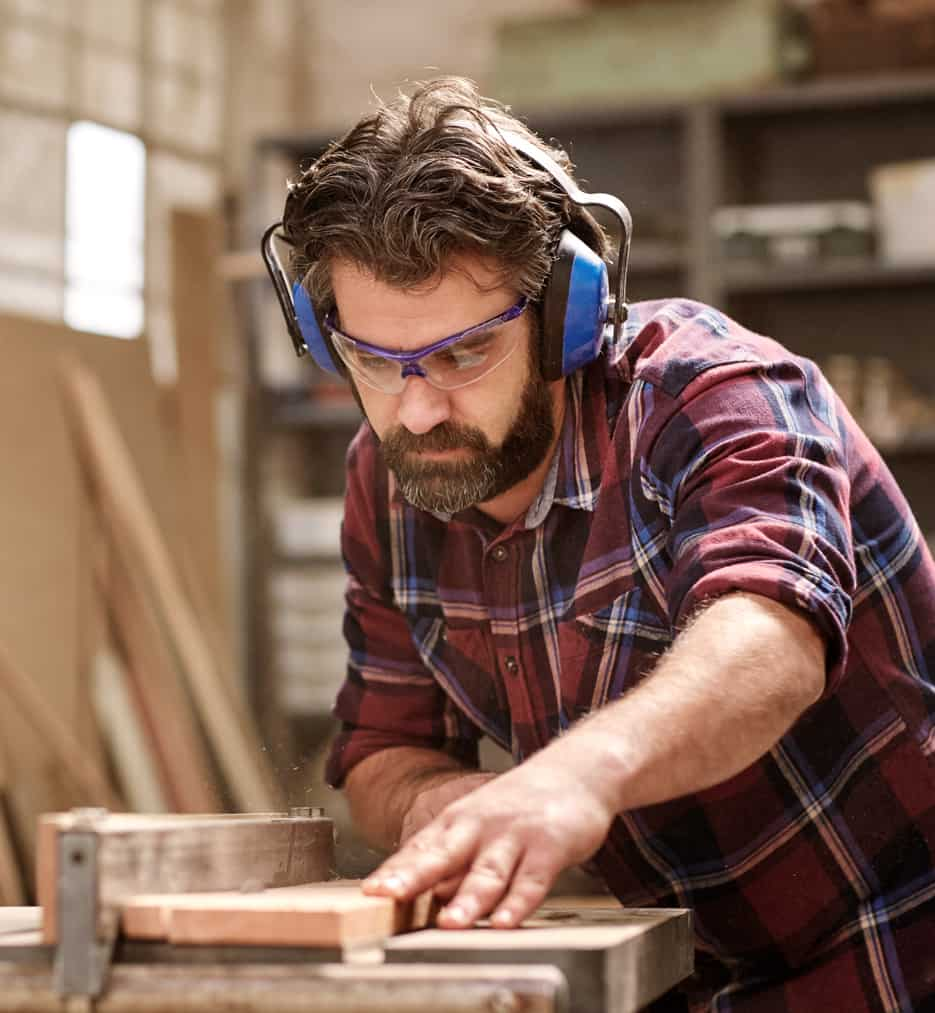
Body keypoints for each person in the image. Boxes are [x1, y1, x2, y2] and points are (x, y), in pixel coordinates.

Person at [263, 77, 935, 1010]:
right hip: (678, 968)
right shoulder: (386, 479)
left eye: (461, 354)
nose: (414, 409)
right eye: (375, 360)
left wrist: (572, 779)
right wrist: (428, 800)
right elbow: (381, 744)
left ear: (561, 320)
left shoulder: (714, 394)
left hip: (898, 936)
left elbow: (771, 638)